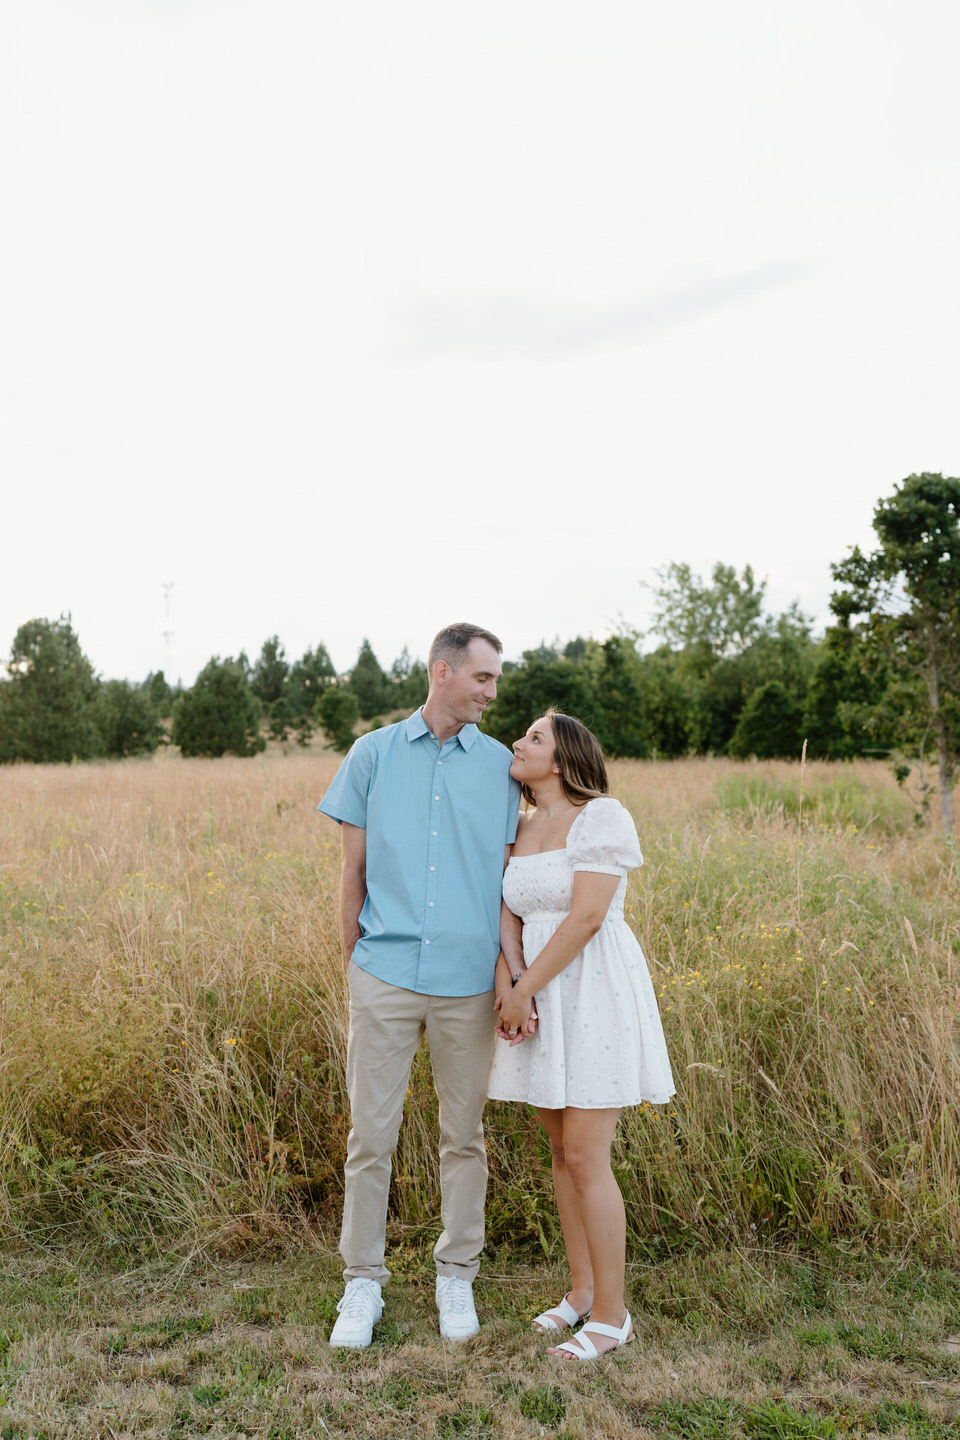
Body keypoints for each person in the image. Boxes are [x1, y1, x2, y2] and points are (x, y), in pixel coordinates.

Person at [317, 623, 522, 1348]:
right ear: (443, 671)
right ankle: (361, 1284)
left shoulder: (501, 766)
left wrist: (510, 974)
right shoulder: (371, 755)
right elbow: (352, 873)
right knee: (370, 1136)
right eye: (483, 678)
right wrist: (356, 962)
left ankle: (455, 1275)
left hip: (468, 982)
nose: (493, 693)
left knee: (463, 1137)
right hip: (385, 974)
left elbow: (506, 883)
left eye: (495, 680)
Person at [489, 710, 675, 1360]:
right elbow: (507, 918)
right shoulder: (517, 827)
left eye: (534, 738)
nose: (518, 742)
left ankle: (613, 1318)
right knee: (562, 1152)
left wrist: (524, 987)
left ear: (564, 759)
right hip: (536, 997)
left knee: (589, 1154)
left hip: (590, 990)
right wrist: (510, 984)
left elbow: (589, 915)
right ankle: (581, 1292)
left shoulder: (602, 816)